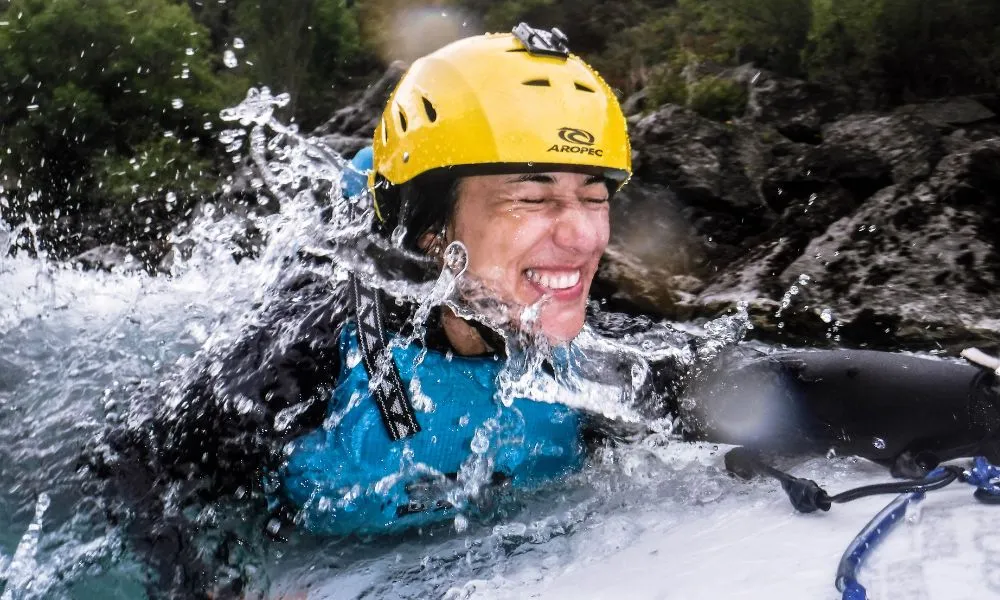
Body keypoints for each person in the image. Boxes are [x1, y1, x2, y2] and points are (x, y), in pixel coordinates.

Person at [94, 23, 999, 598]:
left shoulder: (588, 366)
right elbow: (129, 461)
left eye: (593, 197)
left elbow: (781, 386)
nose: (581, 237)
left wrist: (981, 402)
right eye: (532, 197)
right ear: (432, 232)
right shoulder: (303, 355)